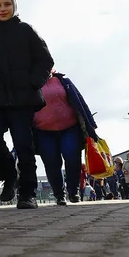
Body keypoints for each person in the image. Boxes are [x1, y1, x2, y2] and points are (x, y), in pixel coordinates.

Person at [0, 0, 54, 209]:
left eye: (6, 4)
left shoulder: (26, 30)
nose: (2, 9)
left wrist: (34, 82)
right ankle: (10, 175)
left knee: (23, 145)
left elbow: (45, 59)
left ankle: (27, 193)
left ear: (14, 6)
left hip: (23, 99)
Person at [34, 71, 98, 205]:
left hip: (70, 128)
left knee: (72, 158)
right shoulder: (30, 82)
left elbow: (80, 101)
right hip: (43, 131)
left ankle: (73, 191)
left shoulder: (64, 82)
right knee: (52, 162)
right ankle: (59, 194)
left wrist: (90, 125)